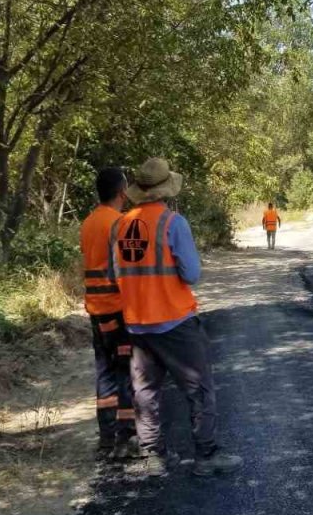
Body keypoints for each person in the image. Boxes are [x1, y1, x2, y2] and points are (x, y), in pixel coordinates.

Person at [110, 157, 243, 478]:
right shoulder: (172, 223)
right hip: (174, 322)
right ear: (166, 189)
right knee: (198, 388)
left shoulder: (120, 225)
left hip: (138, 324)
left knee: (146, 391)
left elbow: (116, 276)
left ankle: (152, 456)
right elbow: (192, 274)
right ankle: (206, 454)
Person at [78, 167, 138, 460]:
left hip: (95, 310)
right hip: (117, 309)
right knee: (125, 371)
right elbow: (124, 268)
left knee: (104, 373)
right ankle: (126, 437)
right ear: (121, 192)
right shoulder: (120, 223)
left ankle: (106, 438)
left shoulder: (88, 222)